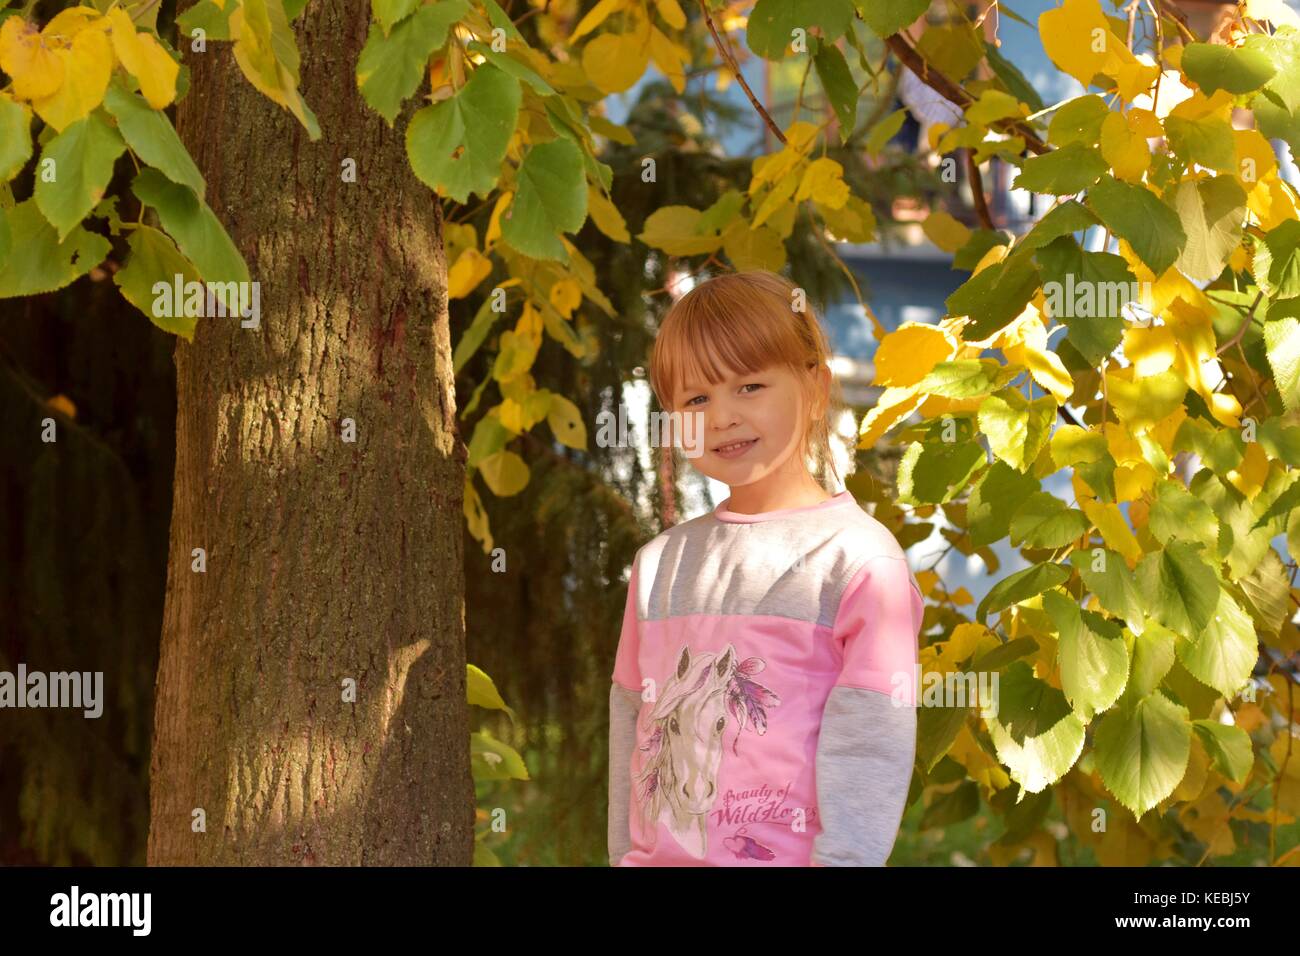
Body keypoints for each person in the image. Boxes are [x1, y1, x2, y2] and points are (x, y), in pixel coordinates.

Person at [607, 269, 925, 867]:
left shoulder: (857, 563)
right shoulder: (658, 566)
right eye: (696, 398)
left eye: (749, 386)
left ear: (815, 388)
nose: (721, 415)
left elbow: (869, 749)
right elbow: (633, 730)